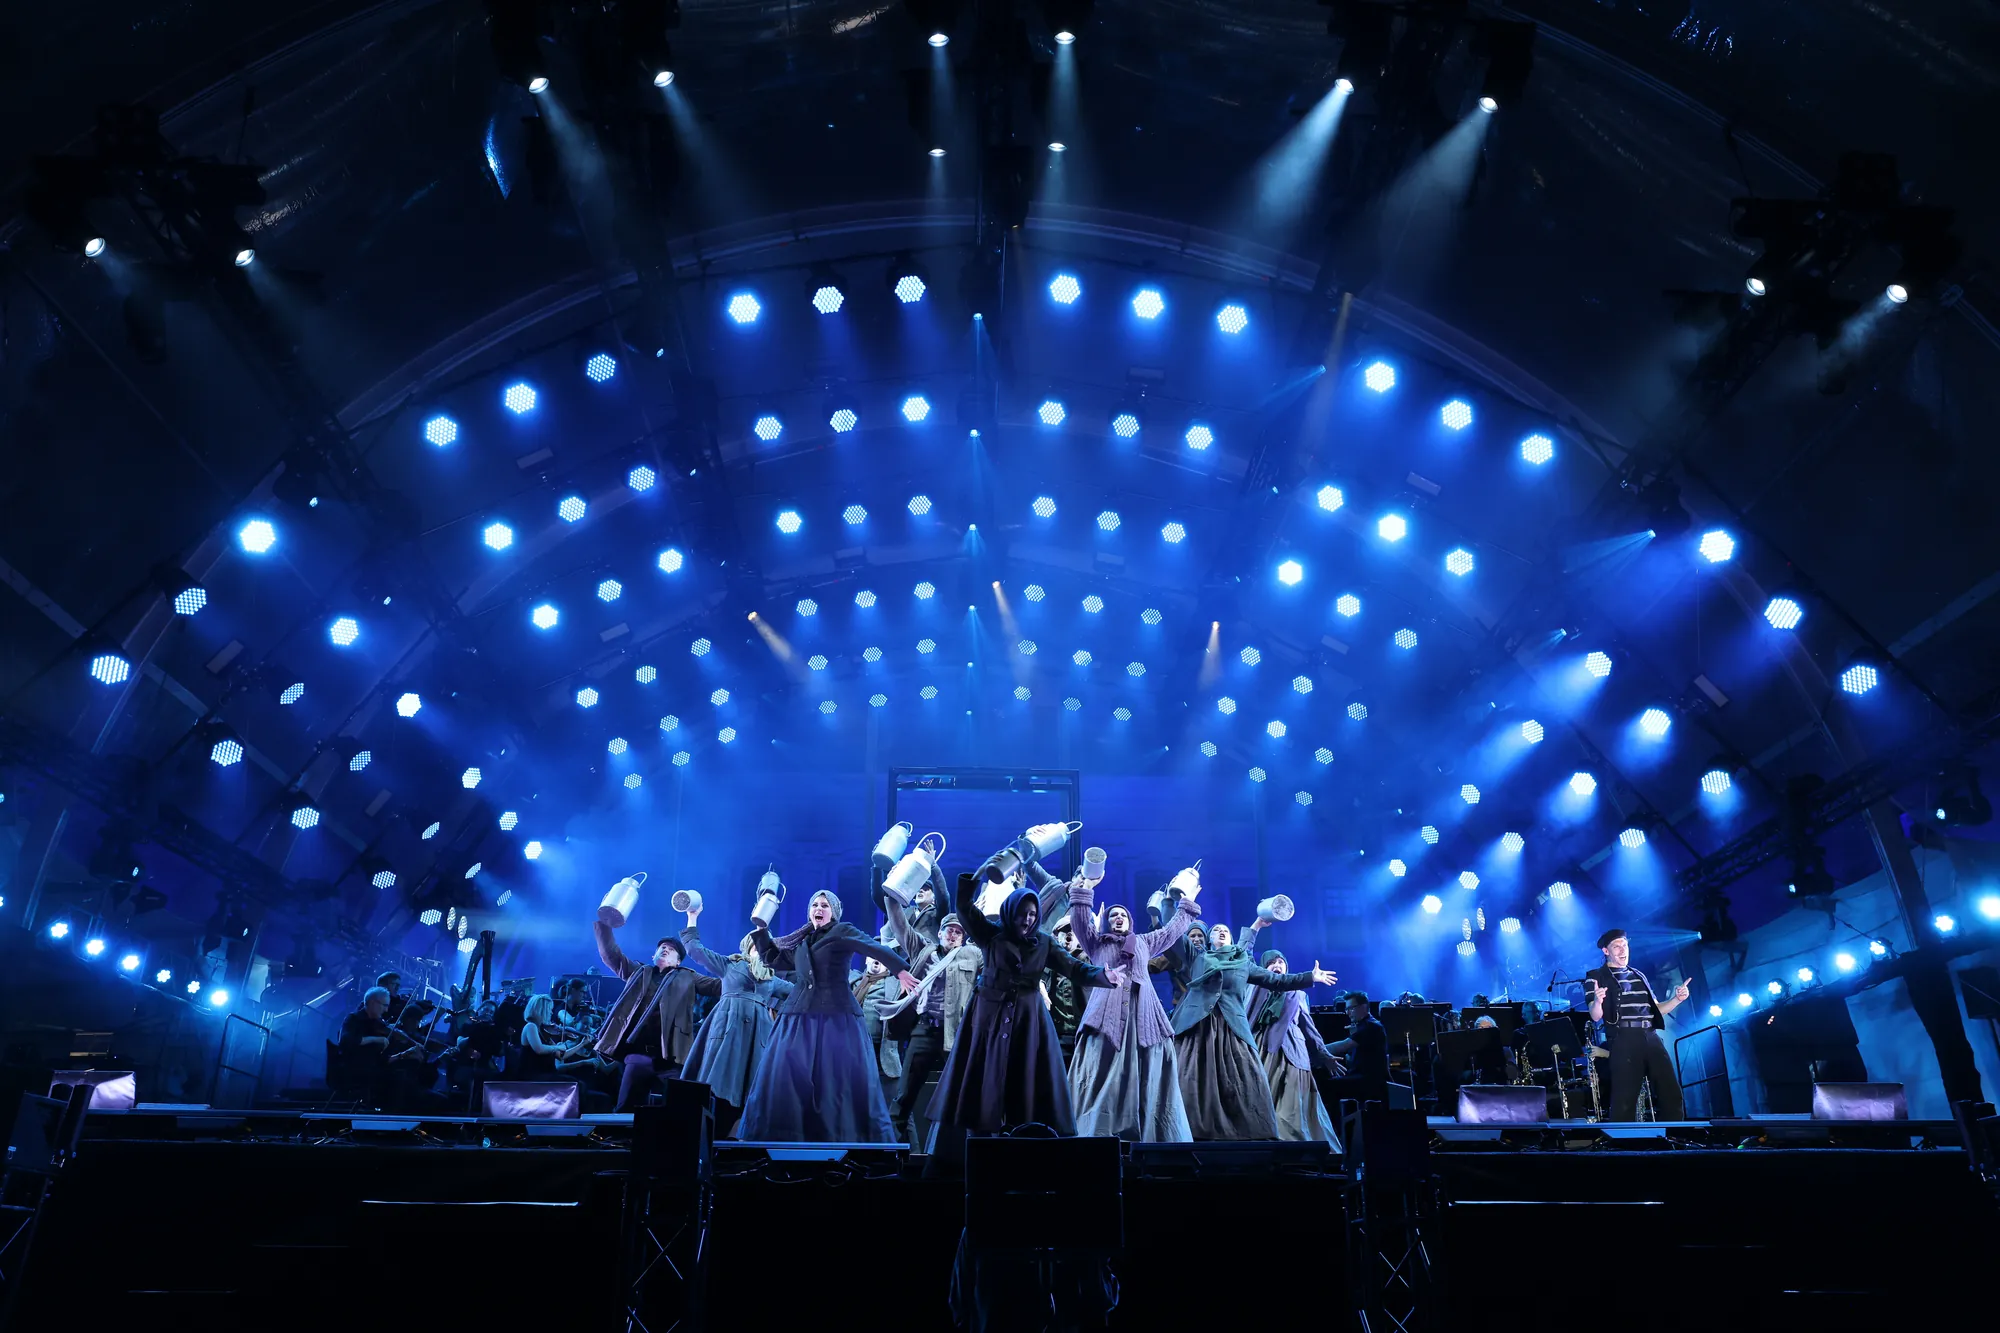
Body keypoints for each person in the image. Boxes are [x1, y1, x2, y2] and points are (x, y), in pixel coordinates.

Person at [930, 860, 1112, 1139]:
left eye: (1032, 913)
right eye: (1022, 913)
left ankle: (1022, 1143)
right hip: (989, 1014)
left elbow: (1074, 968)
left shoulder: (1044, 942)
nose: (1027, 919)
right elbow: (964, 909)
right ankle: (978, 1145)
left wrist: (1103, 976)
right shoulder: (991, 934)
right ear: (1010, 912)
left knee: (1025, 1076)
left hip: (1028, 1017)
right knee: (983, 1075)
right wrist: (974, 875)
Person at [739, 890, 918, 1142]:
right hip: (797, 1018)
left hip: (836, 1018)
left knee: (835, 1082)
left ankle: (839, 1138)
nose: (818, 908)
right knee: (789, 1077)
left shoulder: (841, 931)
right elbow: (773, 959)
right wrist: (761, 929)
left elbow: (873, 946)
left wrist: (899, 970)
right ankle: (790, 1137)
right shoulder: (802, 941)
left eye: (824, 905)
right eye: (814, 904)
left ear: (834, 911)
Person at [1166, 918, 1336, 1140]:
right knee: (1190, 1078)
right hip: (1198, 1027)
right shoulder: (1197, 957)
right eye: (1216, 930)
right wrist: (1180, 903)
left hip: (1231, 1027)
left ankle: (1248, 1134)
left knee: (1244, 1077)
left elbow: (1277, 981)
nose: (1220, 931)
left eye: (1225, 929)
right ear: (1209, 940)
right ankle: (1188, 1131)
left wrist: (1309, 977)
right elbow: (1172, 935)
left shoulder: (1243, 963)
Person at [1065, 877, 1199, 1141]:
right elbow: (1080, 922)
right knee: (1101, 1075)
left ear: (1130, 921)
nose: (1117, 918)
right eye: (1113, 915)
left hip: (1144, 1017)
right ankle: (1097, 1133)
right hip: (1106, 1018)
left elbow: (1172, 931)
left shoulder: (1144, 942)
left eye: (1122, 915)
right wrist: (1083, 891)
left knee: (1148, 1074)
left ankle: (1152, 1134)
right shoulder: (1096, 943)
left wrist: (1187, 903)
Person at [677, 901, 796, 1139]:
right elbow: (695, 950)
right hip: (728, 1029)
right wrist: (692, 917)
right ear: (749, 946)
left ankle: (738, 1137)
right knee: (717, 1085)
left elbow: (798, 993)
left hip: (759, 1035)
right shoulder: (730, 965)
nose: (762, 951)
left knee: (752, 1088)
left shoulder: (771, 978)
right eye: (758, 946)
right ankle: (708, 1137)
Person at [590, 915, 725, 1112]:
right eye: (662, 948)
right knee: (627, 1105)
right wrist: (604, 926)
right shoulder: (639, 971)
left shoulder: (688, 977)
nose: (665, 950)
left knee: (678, 1109)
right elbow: (611, 954)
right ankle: (619, 1140)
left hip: (672, 1056)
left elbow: (718, 986)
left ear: (677, 961)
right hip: (639, 1053)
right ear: (654, 955)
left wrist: (742, 970)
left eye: (670, 950)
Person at [882, 893, 981, 1146]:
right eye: (949, 930)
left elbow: (997, 956)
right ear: (940, 932)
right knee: (904, 1098)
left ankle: (969, 1154)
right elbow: (899, 924)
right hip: (924, 1031)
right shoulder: (922, 949)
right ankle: (895, 1156)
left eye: (959, 932)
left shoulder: (973, 955)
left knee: (965, 1096)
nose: (953, 935)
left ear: (964, 936)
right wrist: (893, 893)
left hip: (956, 1035)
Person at [1586, 928, 1689, 1120]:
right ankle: (1623, 1146)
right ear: (1606, 951)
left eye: (1624, 945)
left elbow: (1655, 1009)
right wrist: (1598, 1002)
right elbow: (1595, 1015)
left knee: (1670, 1091)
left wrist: (1677, 999)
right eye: (1616, 947)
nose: (1622, 950)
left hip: (1650, 1035)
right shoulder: (1596, 976)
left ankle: (1674, 1140)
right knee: (1625, 1098)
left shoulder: (1638, 975)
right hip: (1624, 1038)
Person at [1248, 947, 1338, 1143]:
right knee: (1262, 1098)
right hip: (1262, 1047)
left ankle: (1294, 1145)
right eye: (1272, 962)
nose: (1277, 965)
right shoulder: (1254, 989)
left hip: (1292, 1051)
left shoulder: (1298, 994)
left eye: (1281, 962)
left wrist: (1323, 1053)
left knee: (1292, 1105)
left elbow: (1308, 1026)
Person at [854, 956, 905, 1107]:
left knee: (894, 1107)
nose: (877, 958)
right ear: (866, 960)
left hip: (881, 1054)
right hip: (854, 1052)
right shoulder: (853, 981)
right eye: (872, 955)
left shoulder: (895, 984)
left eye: (881, 956)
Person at [1326, 991, 1388, 1081]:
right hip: (1361, 1076)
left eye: (1351, 1008)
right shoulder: (1363, 1025)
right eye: (1346, 1009)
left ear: (1363, 1007)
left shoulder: (1371, 1026)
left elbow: (1342, 1046)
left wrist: (1316, 1050)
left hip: (1369, 1080)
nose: (1347, 1013)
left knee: (1325, 1084)